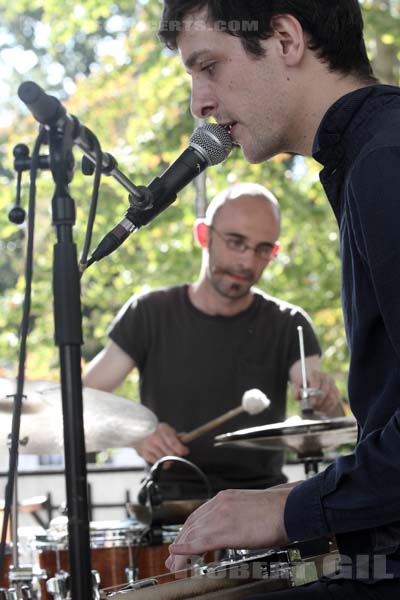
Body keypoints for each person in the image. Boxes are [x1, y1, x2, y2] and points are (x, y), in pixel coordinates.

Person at [157, 1, 400, 597]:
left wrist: (289, 508)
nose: (200, 103)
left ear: (286, 39)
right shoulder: (369, 156)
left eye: (208, 65)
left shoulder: (386, 162)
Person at [84, 182, 341, 501]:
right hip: (171, 508)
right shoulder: (149, 313)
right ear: (204, 235)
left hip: (260, 509)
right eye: (236, 242)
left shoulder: (289, 323)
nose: (247, 263)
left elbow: (319, 411)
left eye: (262, 249)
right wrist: (136, 434)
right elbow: (83, 400)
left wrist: (326, 402)